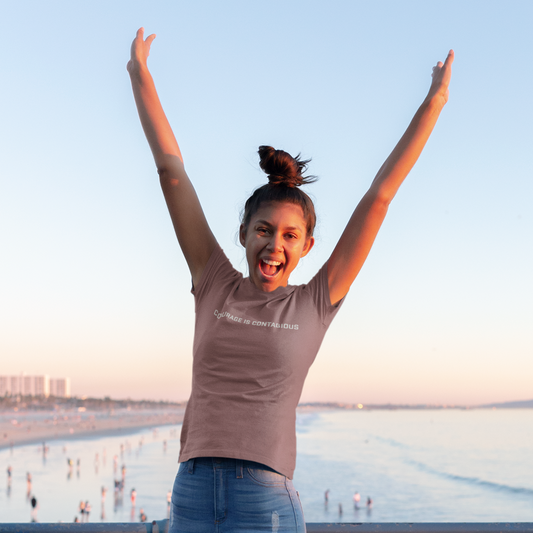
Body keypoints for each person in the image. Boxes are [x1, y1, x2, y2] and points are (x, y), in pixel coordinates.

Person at [128, 27, 453, 533]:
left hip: (264, 498)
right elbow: (172, 173)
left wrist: (434, 102)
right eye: (263, 230)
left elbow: (379, 197)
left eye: (289, 235)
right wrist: (139, 74)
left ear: (306, 247)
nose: (274, 244)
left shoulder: (316, 301)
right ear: (243, 234)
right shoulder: (213, 281)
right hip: (190, 489)